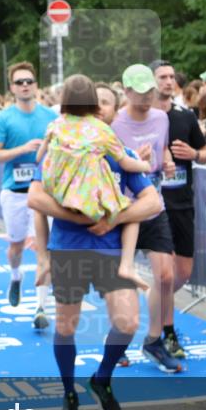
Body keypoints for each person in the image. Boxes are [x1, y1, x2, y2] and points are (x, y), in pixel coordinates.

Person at [28, 110, 163, 410]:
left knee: (128, 322)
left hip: (110, 251)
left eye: (101, 111)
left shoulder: (121, 154)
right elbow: (35, 200)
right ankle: (68, 393)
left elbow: (152, 202)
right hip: (68, 249)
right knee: (66, 326)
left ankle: (101, 378)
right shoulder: (58, 153)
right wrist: (45, 256)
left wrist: (112, 218)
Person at [36, 74, 151, 292]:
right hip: (89, 197)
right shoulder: (101, 130)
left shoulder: (56, 124)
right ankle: (127, 265)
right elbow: (126, 163)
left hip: (60, 193)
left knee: (39, 208)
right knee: (130, 209)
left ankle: (43, 259)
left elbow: (40, 153)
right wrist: (145, 165)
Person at [110, 66, 184, 372]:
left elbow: (162, 149)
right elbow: (111, 167)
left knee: (166, 276)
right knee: (119, 281)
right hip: (126, 209)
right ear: (126, 91)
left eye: (149, 91)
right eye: (139, 92)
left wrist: (165, 162)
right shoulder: (115, 124)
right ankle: (118, 336)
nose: (145, 97)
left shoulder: (161, 117)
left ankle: (154, 339)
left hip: (155, 205)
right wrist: (133, 162)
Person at [0, 61, 58, 322]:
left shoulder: (51, 116)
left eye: (29, 81)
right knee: (16, 245)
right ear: (12, 88)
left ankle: (41, 307)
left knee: (43, 248)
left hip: (44, 192)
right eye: (20, 82)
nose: (25, 85)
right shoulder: (4, 118)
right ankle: (16, 275)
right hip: (15, 191)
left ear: (36, 85)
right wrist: (23, 148)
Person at [150, 60, 206, 357]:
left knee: (182, 273)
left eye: (172, 76)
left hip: (183, 202)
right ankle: (168, 332)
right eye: (162, 76)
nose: (168, 81)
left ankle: (155, 303)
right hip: (154, 207)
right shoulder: (143, 119)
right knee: (165, 273)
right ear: (150, 81)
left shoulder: (185, 116)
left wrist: (194, 153)